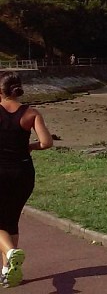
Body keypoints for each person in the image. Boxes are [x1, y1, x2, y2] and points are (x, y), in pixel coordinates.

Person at [0, 71, 53, 288]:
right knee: (10, 220)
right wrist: (28, 147)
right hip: (23, 174)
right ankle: (8, 271)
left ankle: (11, 252)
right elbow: (47, 142)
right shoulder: (31, 113)